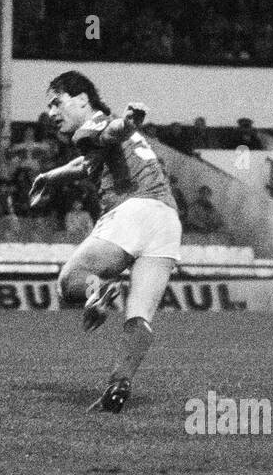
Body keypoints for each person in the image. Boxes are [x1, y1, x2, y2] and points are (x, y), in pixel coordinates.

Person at [28, 71, 182, 414]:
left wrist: (128, 122)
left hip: (131, 211)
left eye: (57, 102)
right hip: (167, 220)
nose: (51, 113)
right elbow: (91, 159)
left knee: (68, 284)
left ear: (82, 99)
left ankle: (98, 290)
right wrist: (50, 177)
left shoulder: (91, 128)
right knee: (140, 317)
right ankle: (118, 384)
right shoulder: (100, 135)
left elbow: (109, 133)